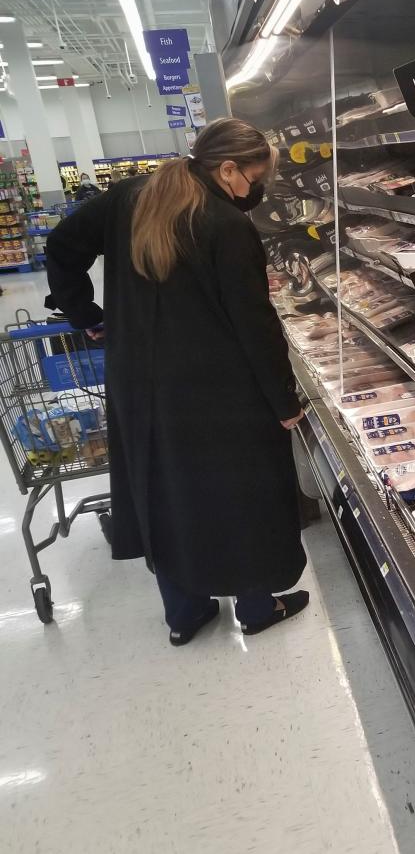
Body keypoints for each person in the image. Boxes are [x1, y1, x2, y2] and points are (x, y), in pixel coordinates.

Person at [45, 117, 309, 646]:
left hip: (139, 382)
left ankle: (184, 613)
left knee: (161, 488)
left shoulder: (128, 197)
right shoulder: (225, 224)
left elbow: (60, 247)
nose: (252, 192)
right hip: (219, 388)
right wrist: (283, 398)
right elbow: (253, 323)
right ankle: (257, 606)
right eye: (252, 180)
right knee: (239, 490)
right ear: (227, 167)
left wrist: (85, 313)